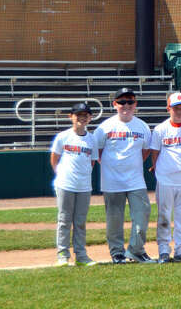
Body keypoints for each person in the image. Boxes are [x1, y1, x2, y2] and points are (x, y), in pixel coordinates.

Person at [94, 87, 152, 263]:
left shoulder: (142, 126)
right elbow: (98, 153)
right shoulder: (104, 127)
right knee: (114, 219)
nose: (126, 105)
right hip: (112, 181)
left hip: (135, 180)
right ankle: (117, 252)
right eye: (122, 102)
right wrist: (114, 167)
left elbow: (146, 151)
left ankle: (135, 250)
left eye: (130, 102)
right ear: (115, 104)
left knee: (142, 215)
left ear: (135, 104)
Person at [149, 92, 181, 262]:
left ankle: (180, 250)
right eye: (176, 108)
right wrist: (159, 171)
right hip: (165, 178)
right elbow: (154, 153)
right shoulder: (160, 129)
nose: (179, 111)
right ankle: (163, 249)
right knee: (164, 214)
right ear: (168, 108)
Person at [50, 102, 98, 266]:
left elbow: (92, 162)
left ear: (90, 118)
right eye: (78, 115)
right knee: (64, 220)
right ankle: (63, 254)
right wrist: (61, 175)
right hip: (65, 184)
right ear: (71, 117)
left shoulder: (92, 139)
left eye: (85, 115)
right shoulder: (63, 136)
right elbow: (54, 158)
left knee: (80, 222)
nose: (82, 118)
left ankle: (81, 255)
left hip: (84, 186)